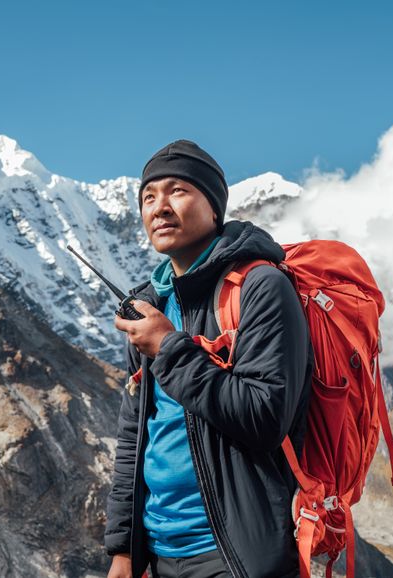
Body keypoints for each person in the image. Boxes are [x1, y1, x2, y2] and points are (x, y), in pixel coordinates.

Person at [104, 139, 314, 578]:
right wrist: (124, 551)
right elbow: (135, 438)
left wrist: (168, 348)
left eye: (178, 190)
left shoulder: (260, 288)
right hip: (159, 552)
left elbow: (264, 417)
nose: (159, 207)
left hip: (234, 557)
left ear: (215, 208)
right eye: (148, 196)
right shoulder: (148, 305)